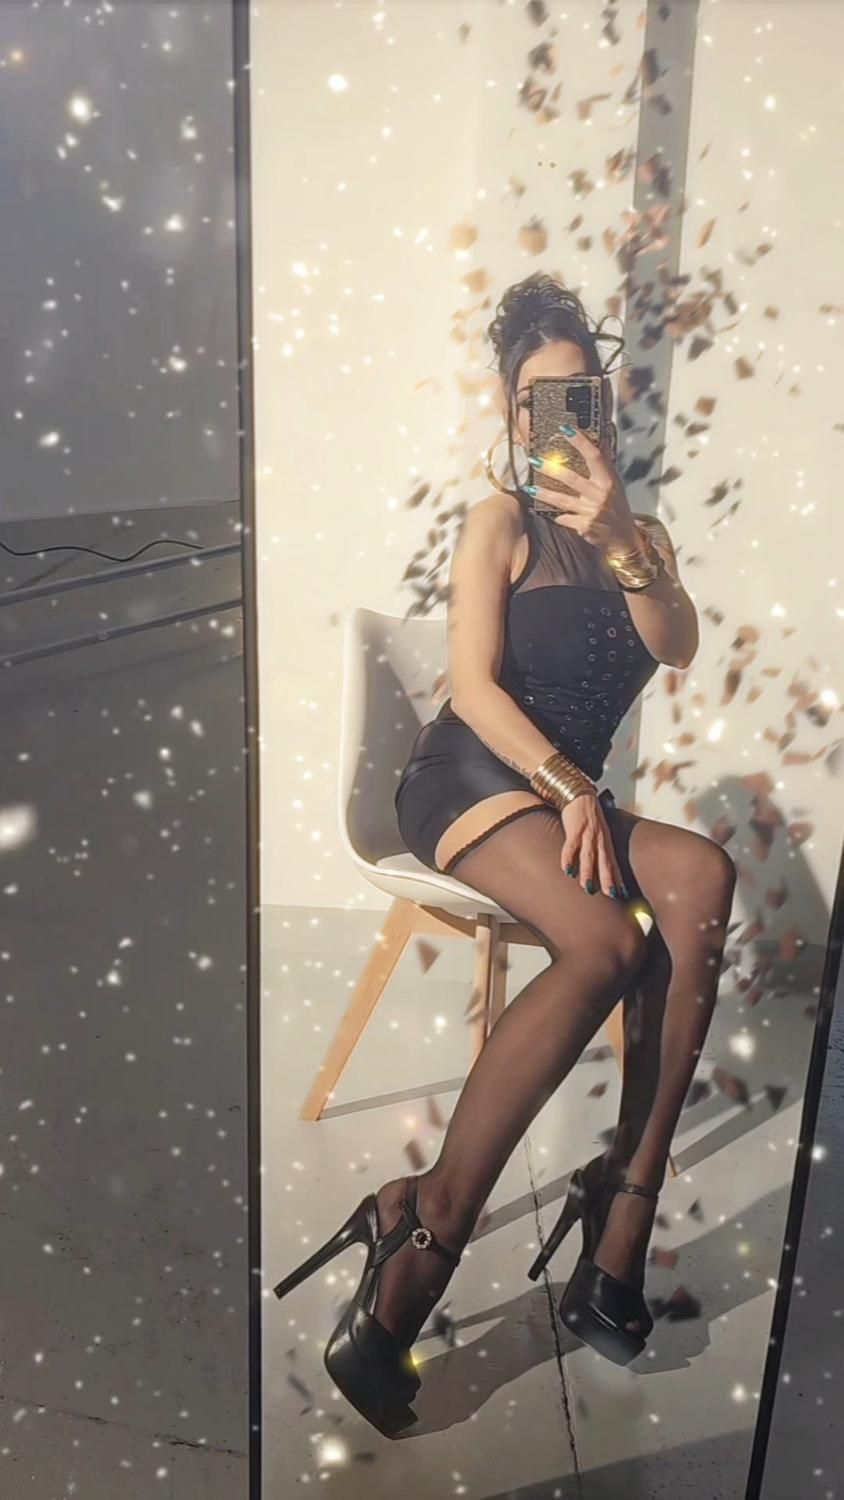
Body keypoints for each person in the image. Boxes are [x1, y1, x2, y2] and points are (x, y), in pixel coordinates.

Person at [273, 273, 737, 1437]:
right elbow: (474, 690)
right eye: (539, 398)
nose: (562, 416)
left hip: (562, 801)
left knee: (700, 880)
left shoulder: (639, 539)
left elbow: (676, 643)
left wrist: (623, 538)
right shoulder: (500, 523)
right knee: (605, 940)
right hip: (475, 778)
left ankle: (619, 1216)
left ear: (604, 400)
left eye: (580, 392)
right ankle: (422, 1232)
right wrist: (568, 782)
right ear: (509, 409)